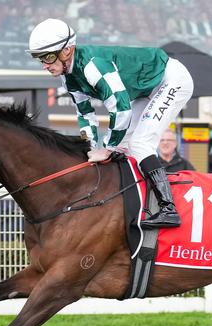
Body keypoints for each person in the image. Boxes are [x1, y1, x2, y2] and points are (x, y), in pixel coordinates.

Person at [27, 18, 194, 229]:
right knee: (125, 145)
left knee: (140, 143)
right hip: (146, 90)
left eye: (48, 57)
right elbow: (85, 115)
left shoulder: (92, 66)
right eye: (40, 59)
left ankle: (168, 208)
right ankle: (138, 204)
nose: (44, 65)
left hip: (172, 80)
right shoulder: (67, 76)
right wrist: (91, 148)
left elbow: (121, 109)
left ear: (67, 51)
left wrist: (106, 149)